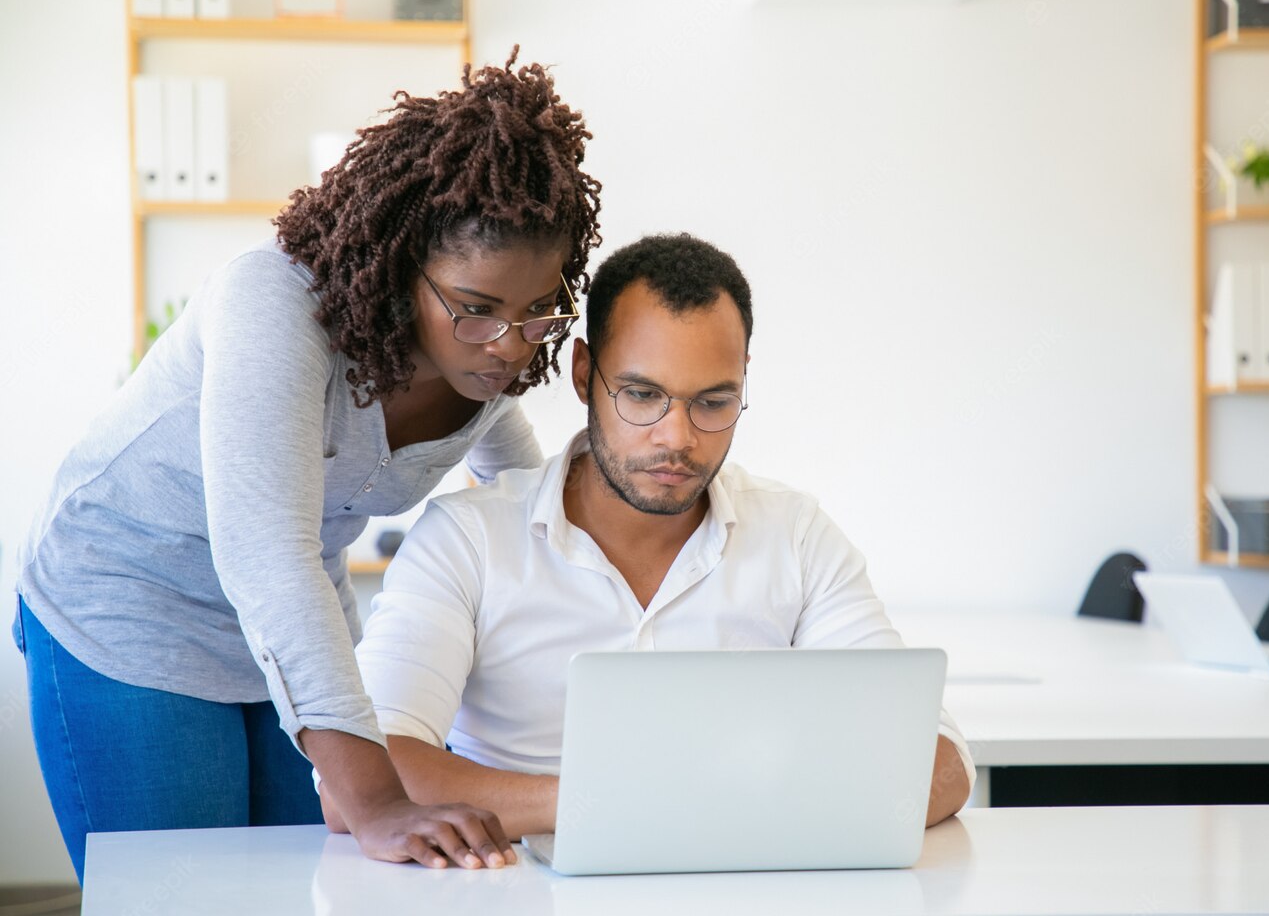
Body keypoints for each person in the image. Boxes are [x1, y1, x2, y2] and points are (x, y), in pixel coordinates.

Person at [13, 49, 600, 880]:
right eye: (475, 310)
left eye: (537, 310)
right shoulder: (275, 302)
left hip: (285, 632)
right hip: (129, 601)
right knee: (190, 897)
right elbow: (267, 549)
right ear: (405, 267)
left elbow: (529, 509)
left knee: (309, 888)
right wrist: (382, 799)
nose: (507, 345)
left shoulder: (487, 371)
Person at [323, 234, 974, 838]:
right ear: (584, 376)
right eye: (641, 395)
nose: (677, 438)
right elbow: (362, 778)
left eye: (713, 402)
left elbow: (941, 759)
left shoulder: (795, 535)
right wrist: (609, 803)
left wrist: (725, 811)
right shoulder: (467, 541)